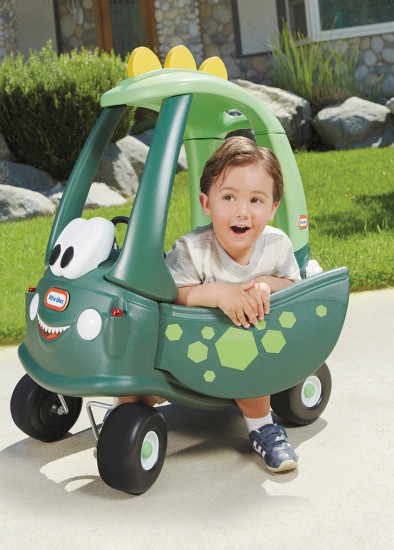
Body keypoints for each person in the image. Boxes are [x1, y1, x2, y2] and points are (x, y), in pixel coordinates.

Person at [123, 136, 301, 473]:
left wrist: (266, 284)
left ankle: (263, 427)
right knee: (136, 389)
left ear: (273, 208)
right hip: (189, 351)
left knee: (250, 367)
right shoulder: (193, 249)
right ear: (207, 203)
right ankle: (125, 426)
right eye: (229, 197)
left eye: (256, 200)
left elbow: (294, 284)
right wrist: (219, 294)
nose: (242, 211)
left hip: (243, 353)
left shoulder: (277, 245)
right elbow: (172, 293)